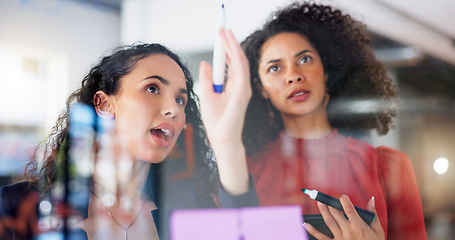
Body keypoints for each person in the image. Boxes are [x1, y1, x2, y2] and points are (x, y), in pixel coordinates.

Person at [199, 2, 426, 240]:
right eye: (275, 68)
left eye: (304, 60)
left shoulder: (389, 168)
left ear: (327, 71)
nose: (293, 75)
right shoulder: (243, 171)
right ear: (260, 88)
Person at [0, 43, 216, 239]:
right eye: (152, 88)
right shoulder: (14, 206)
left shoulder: (195, 207)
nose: (173, 110)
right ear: (104, 104)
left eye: (180, 99)